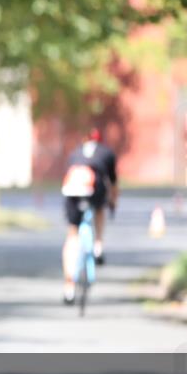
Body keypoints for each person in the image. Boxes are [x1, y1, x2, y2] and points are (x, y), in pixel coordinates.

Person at [61, 128, 118, 304]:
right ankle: (98, 245)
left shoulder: (75, 152)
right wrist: (112, 204)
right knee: (99, 210)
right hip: (94, 187)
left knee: (72, 234)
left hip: (72, 189)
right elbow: (113, 184)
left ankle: (69, 286)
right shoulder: (107, 153)